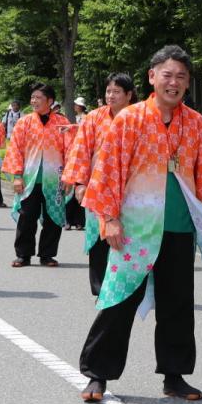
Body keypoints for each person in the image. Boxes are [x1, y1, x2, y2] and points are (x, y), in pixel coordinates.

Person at [78, 45, 202, 403]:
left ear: (188, 83)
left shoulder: (196, 124)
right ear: (152, 77)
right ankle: (97, 375)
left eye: (181, 76)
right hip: (134, 227)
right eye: (167, 74)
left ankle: (174, 375)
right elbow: (108, 170)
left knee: (178, 304)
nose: (174, 82)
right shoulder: (130, 119)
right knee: (119, 298)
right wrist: (109, 218)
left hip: (178, 227)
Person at [62, 72, 137, 296]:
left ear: (129, 95)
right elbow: (80, 150)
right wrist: (79, 183)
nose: (110, 96)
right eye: (108, 91)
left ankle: (129, 287)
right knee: (98, 235)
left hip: (131, 189)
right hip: (98, 188)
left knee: (130, 236)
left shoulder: (140, 118)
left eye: (116, 92)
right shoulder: (94, 118)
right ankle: (100, 288)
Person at [3, 82, 68, 267]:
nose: (34, 101)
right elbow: (15, 149)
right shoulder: (24, 122)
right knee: (26, 217)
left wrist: (69, 177)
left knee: (53, 218)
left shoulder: (62, 123)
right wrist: (17, 176)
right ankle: (23, 254)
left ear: (50, 101)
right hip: (29, 179)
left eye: (39, 98)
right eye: (33, 97)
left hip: (54, 179)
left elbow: (71, 150)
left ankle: (47, 255)